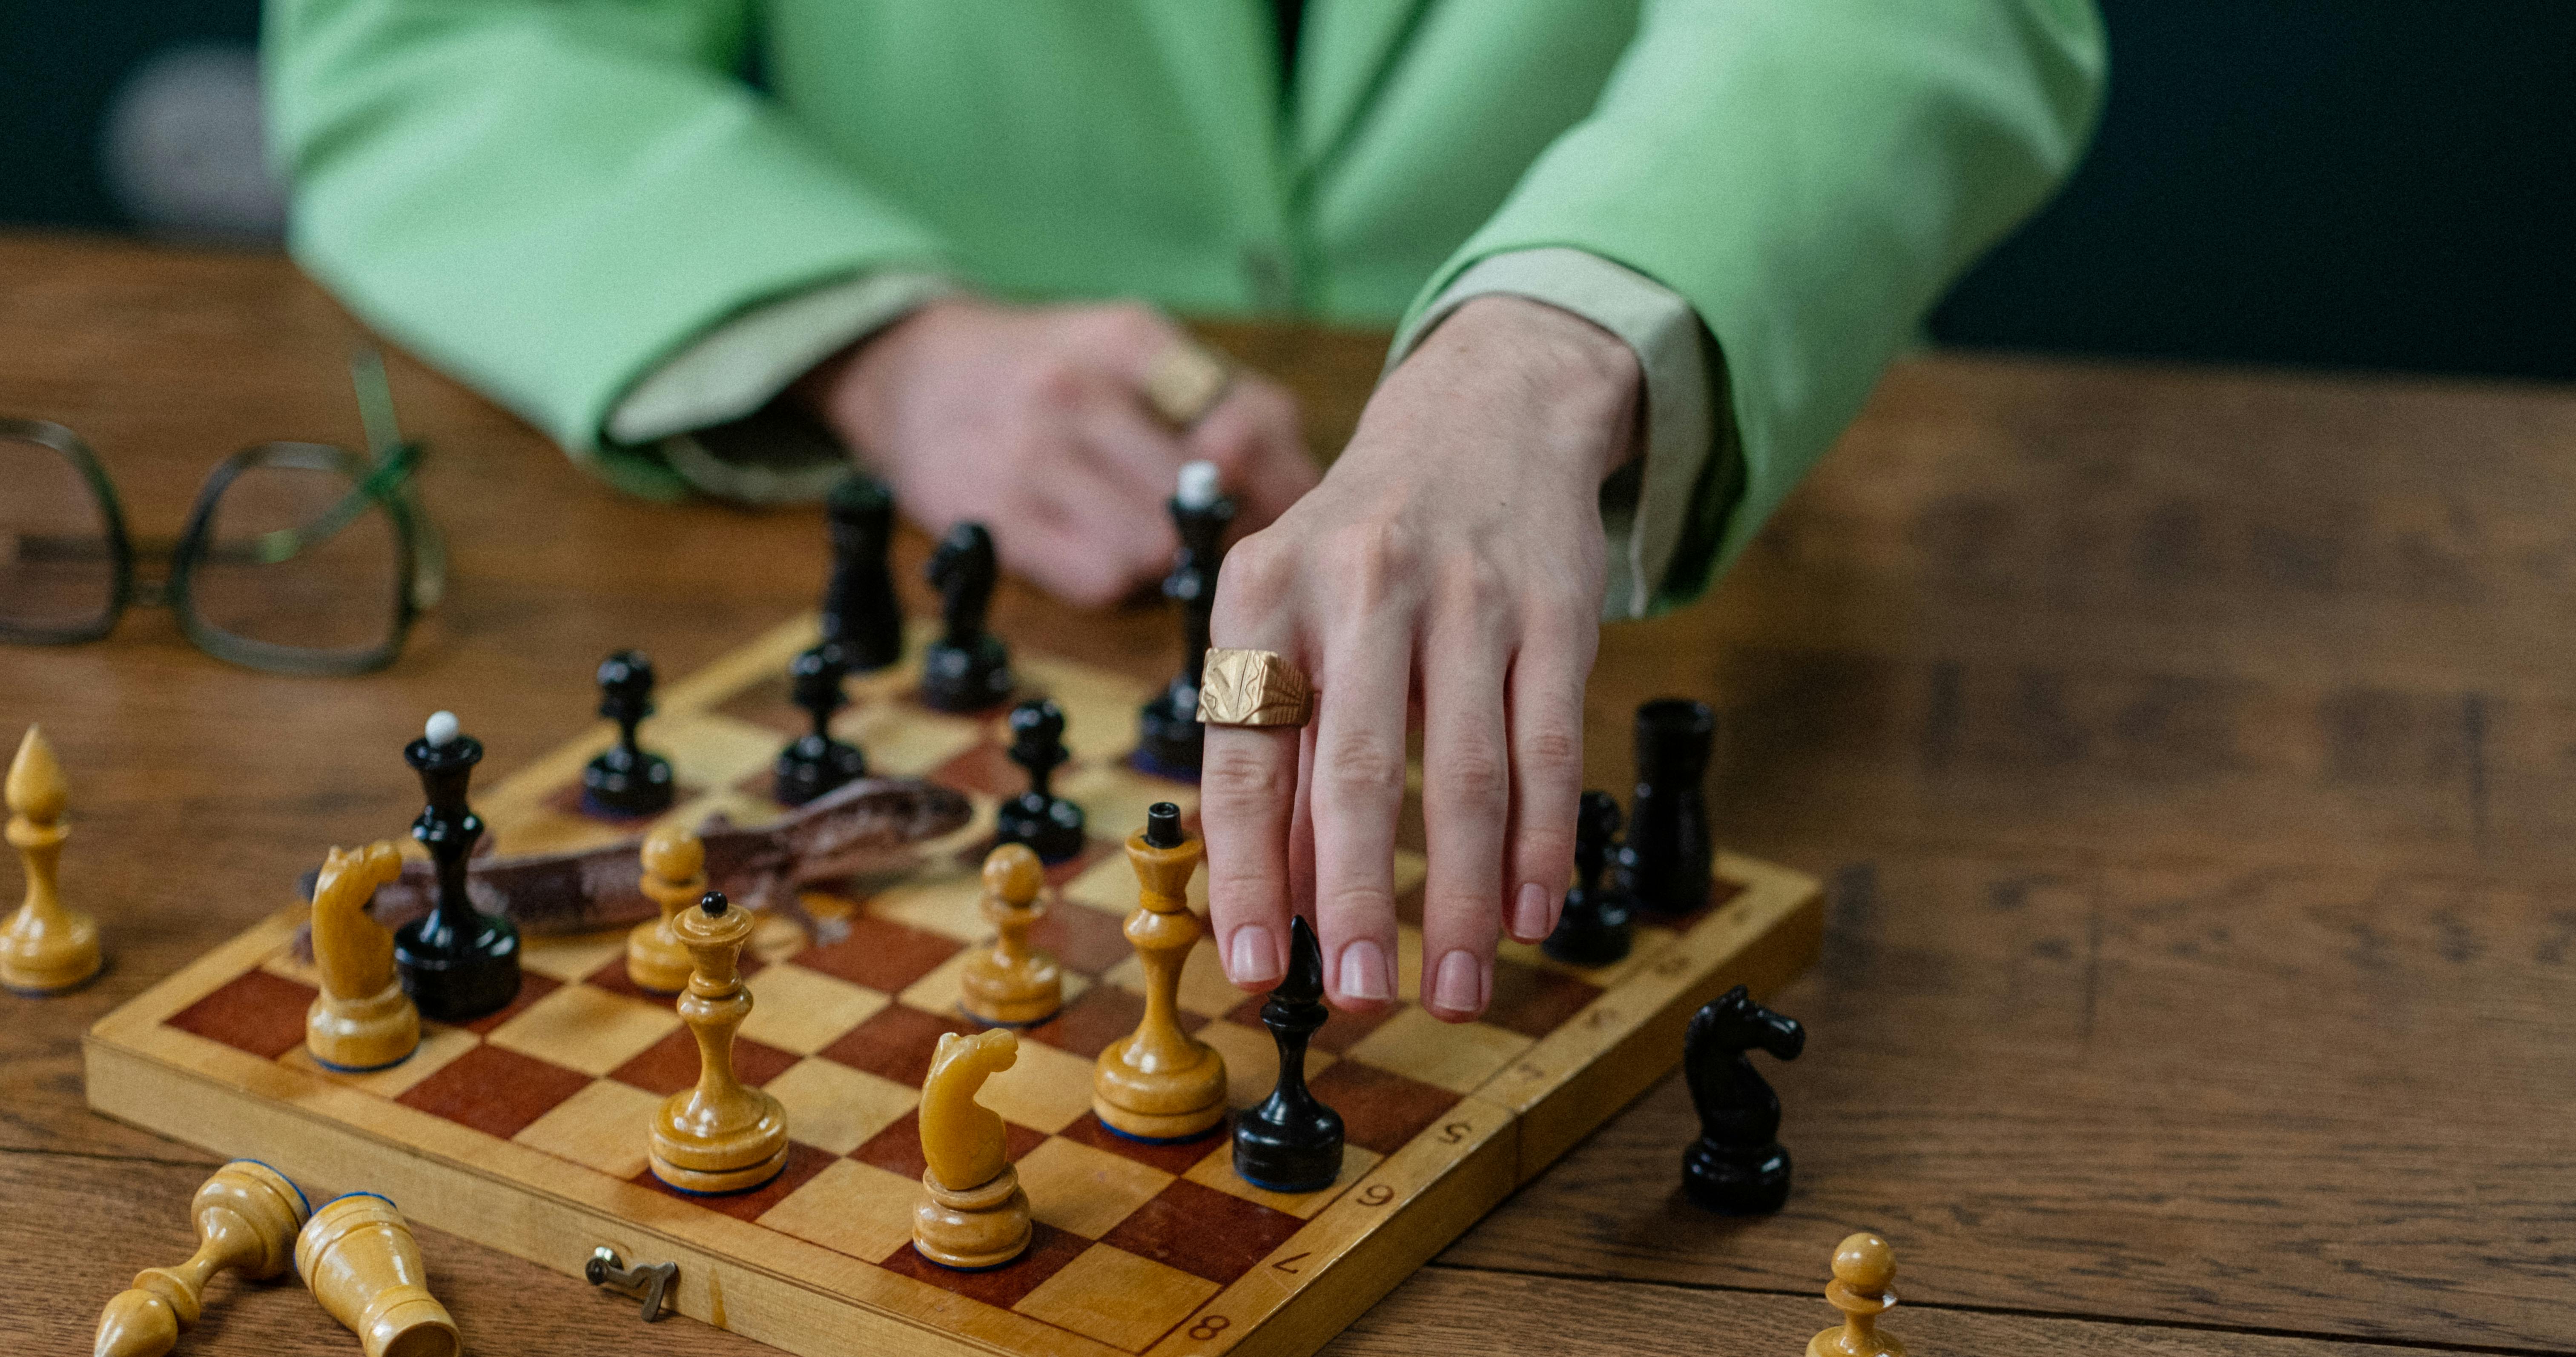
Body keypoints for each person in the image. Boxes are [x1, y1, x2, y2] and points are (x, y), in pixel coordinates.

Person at [269, 0, 2105, 1021]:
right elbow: (433, 40)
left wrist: (1557, 337)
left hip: (1705, 490)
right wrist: (881, 347)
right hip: (962, 506)